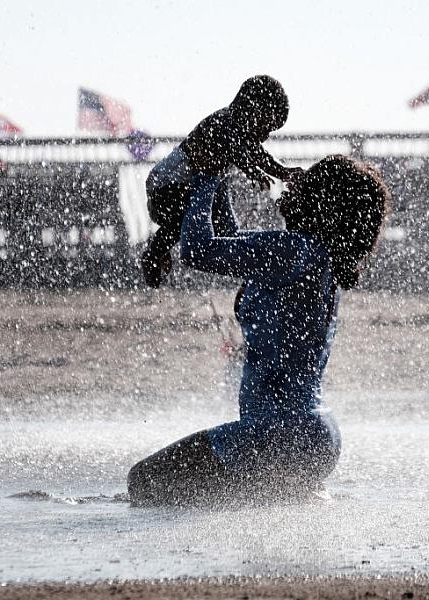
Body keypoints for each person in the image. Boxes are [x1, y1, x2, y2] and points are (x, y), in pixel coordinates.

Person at [128, 155, 391, 507]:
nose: (295, 179)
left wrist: (206, 173)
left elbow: (198, 250)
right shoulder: (309, 255)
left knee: (144, 483)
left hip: (280, 434)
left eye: (308, 176)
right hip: (312, 438)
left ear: (321, 197)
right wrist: (220, 179)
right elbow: (226, 239)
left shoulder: (293, 251)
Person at [140, 75, 303, 288]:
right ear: (251, 111)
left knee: (226, 234)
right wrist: (252, 171)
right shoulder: (224, 121)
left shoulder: (241, 127)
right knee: (181, 221)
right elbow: (235, 151)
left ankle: (260, 269)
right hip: (168, 186)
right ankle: (153, 252)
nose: (265, 136)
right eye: (265, 126)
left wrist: (283, 172)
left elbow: (259, 154)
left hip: (204, 182)